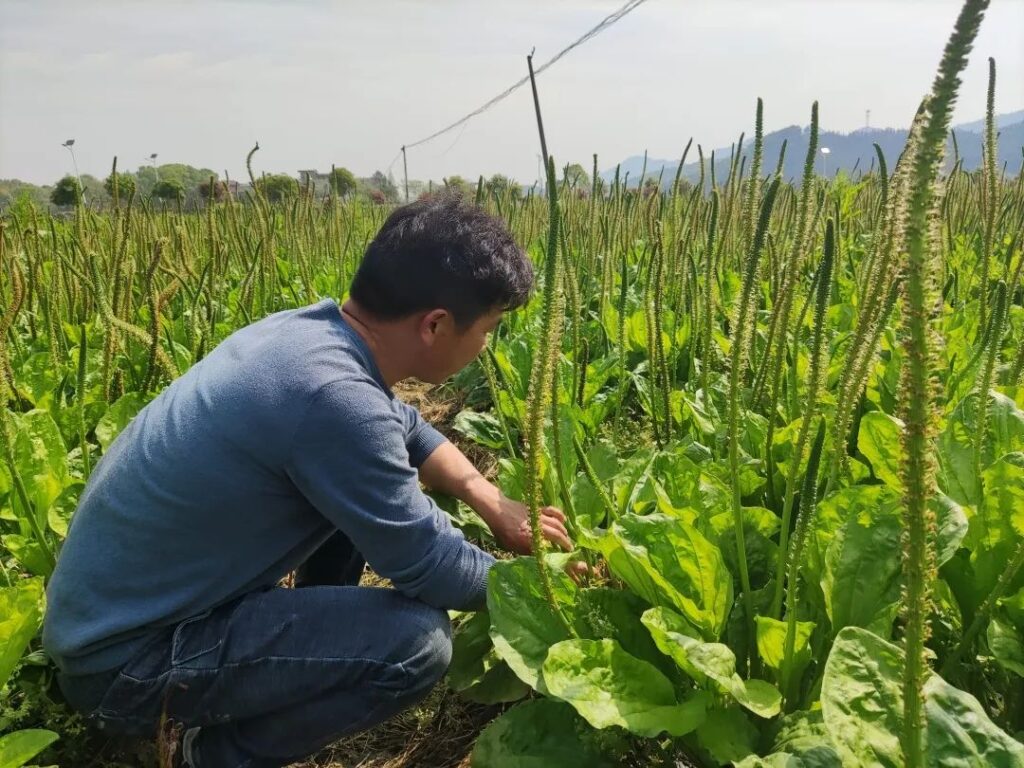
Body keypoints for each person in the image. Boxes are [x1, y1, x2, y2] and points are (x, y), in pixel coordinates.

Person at [42, 194, 573, 767]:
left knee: (359, 489)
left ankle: (296, 662)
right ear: (436, 325)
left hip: (109, 624)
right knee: (414, 645)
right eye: (488, 329)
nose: (486, 345)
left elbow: (409, 431)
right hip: (127, 668)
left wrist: (486, 495)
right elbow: (433, 567)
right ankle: (210, 756)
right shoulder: (333, 399)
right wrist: (551, 587)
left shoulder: (310, 336)